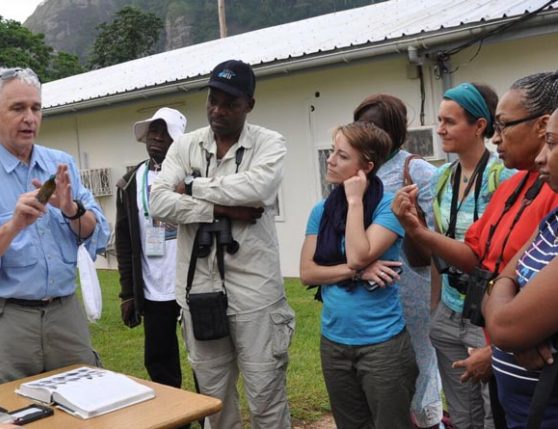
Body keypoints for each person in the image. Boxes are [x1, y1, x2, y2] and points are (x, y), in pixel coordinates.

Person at [394, 71, 558, 427]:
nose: (496, 138)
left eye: (502, 126)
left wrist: (504, 332)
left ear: (542, 126)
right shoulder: (514, 188)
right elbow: (481, 262)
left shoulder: (525, 185)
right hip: (498, 351)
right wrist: (416, 230)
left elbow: (505, 283)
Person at [149, 59, 295, 429]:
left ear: (249, 104)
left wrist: (195, 187)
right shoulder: (184, 145)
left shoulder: (269, 143)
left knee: (266, 397)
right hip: (199, 290)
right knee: (213, 404)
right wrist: (219, 207)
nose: (218, 109)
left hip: (256, 295)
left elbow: (258, 189)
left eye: (229, 102)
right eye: (212, 99)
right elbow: (159, 201)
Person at [0, 67, 110, 389]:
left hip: (65, 314)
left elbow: (96, 233)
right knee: (6, 416)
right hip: (3, 320)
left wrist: (70, 209)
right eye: (18, 108)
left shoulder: (61, 164)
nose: (30, 118)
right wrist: (14, 226)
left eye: (36, 108)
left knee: (85, 410)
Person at [300, 121, 417, 428]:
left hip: (382, 346)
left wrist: (354, 200)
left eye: (341, 155)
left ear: (366, 165)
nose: (330, 159)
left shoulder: (388, 207)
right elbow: (308, 272)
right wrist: (356, 274)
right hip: (334, 342)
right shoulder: (321, 211)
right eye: (332, 152)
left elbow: (358, 254)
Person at [353, 94, 443, 428]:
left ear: (393, 130)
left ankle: (427, 419)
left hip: (411, 284)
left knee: (418, 360)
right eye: (360, 125)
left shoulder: (415, 169)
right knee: (382, 366)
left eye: (374, 126)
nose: (366, 133)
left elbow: (438, 229)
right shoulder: (360, 167)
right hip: (367, 282)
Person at [428, 82, 512, 429]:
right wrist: (435, 308)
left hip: (487, 312)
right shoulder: (441, 178)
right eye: (439, 120)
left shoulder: (502, 176)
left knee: (495, 411)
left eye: (450, 121)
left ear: (480, 126)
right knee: (462, 414)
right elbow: (436, 247)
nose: (440, 129)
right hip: (450, 307)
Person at [484, 106, 558, 429]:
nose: (541, 157)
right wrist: (503, 284)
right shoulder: (553, 221)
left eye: (552, 144)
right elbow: (503, 275)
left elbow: (501, 326)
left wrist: (504, 294)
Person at [115, 107, 188, 389]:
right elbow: (123, 239)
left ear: (177, 141)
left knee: (204, 358)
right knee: (159, 360)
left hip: (191, 285)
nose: (156, 137)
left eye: (164, 131)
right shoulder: (130, 182)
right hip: (154, 288)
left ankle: (209, 417)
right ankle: (176, 419)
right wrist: (127, 293)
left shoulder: (191, 176)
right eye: (152, 131)